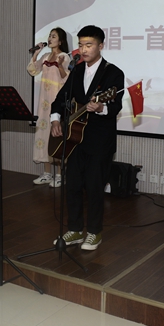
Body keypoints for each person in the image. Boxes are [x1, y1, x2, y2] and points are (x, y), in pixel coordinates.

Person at [50, 25, 124, 251]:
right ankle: (74, 229)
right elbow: (60, 99)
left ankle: (94, 232)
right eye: (81, 45)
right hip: (74, 140)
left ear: (101, 46)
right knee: (72, 185)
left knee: (94, 187)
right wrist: (55, 120)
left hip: (99, 141)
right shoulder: (77, 70)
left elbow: (115, 106)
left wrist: (101, 107)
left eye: (89, 45)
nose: (83, 49)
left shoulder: (113, 73)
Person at [27, 28, 70, 188]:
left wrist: (59, 66)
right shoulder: (45, 56)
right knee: (43, 134)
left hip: (56, 100)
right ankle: (46, 174)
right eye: (50, 36)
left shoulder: (64, 56)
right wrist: (36, 54)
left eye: (54, 36)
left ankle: (59, 175)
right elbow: (32, 70)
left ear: (60, 41)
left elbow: (67, 79)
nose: (50, 39)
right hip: (43, 102)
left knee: (56, 137)